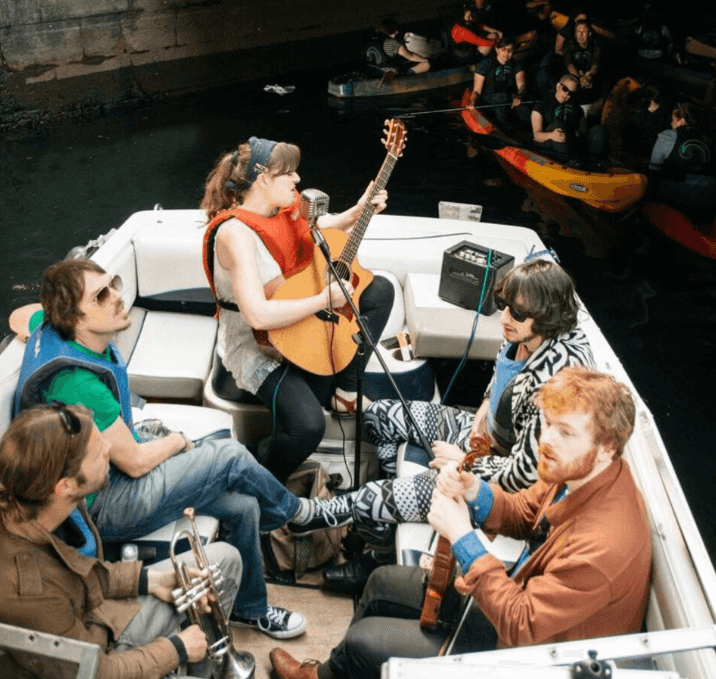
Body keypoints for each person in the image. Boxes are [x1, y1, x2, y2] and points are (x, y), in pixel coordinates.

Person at [270, 367, 651, 679]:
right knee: (382, 582)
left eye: (565, 432)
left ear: (606, 448)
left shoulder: (605, 545)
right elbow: (525, 511)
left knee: (363, 643)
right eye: (547, 425)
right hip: (516, 608)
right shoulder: (578, 471)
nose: (545, 441)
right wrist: (475, 491)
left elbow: (522, 624)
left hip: (529, 672)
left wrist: (463, 537)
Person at [13, 257, 332, 639]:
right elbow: (132, 462)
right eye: (101, 295)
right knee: (228, 455)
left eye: (113, 283)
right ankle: (297, 513)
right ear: (76, 319)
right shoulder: (77, 384)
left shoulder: (56, 330)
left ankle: (251, 609)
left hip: (111, 469)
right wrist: (178, 441)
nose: (117, 295)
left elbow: (23, 316)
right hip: (103, 503)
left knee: (243, 504)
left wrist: (35, 320)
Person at [296, 258, 594, 593]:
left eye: (518, 313)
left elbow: (525, 474)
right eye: (503, 305)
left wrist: (462, 461)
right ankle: (382, 533)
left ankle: (321, 521)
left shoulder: (555, 380)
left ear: (548, 316)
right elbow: (500, 378)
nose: (505, 317)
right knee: (380, 415)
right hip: (484, 438)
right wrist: (483, 408)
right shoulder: (522, 334)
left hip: (501, 482)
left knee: (369, 496)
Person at [0, 404, 270, 679]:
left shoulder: (37, 507)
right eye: (98, 453)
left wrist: (151, 580)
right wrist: (175, 650)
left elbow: (82, 573)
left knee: (225, 559)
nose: (110, 450)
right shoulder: (27, 589)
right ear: (66, 485)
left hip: (97, 628)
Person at [201, 137, 395, 483]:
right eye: (288, 174)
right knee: (308, 425)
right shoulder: (235, 234)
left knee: (379, 290)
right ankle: (263, 480)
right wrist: (324, 301)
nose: (297, 180)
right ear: (263, 180)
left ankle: (345, 391)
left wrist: (362, 207)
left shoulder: (279, 212)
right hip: (256, 347)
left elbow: (321, 228)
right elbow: (257, 316)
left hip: (297, 325)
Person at [648, 101, 716, 213]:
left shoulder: (667, 136)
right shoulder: (709, 138)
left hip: (672, 196)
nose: (671, 123)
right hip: (706, 197)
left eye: (673, 119)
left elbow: (654, 170)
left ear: (682, 120)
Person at [469, 37, 527, 131]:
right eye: (503, 49)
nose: (506, 54)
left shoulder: (517, 64)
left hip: (510, 98)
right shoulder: (486, 64)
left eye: (510, 50)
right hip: (489, 98)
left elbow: (522, 85)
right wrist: (472, 102)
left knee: (524, 110)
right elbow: (477, 90)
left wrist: (519, 96)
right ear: (497, 49)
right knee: (501, 106)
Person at [530, 74, 583, 164]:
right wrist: (551, 135)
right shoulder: (542, 105)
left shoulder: (576, 106)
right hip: (548, 145)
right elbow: (537, 136)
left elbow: (583, 131)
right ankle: (569, 162)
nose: (567, 94)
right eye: (565, 89)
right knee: (557, 126)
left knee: (599, 130)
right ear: (558, 86)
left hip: (570, 142)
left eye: (572, 93)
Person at [563, 19, 602, 113]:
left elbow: (596, 63)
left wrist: (589, 76)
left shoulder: (595, 46)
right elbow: (569, 63)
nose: (581, 35)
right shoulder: (570, 45)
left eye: (584, 32)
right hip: (576, 78)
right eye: (578, 32)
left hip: (590, 79)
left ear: (589, 34)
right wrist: (579, 77)